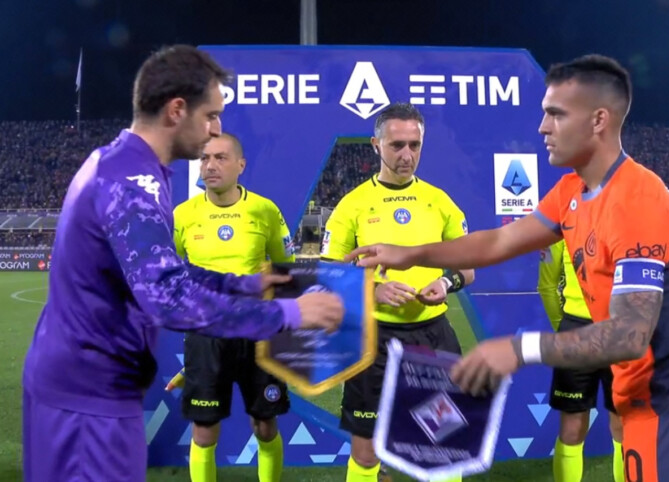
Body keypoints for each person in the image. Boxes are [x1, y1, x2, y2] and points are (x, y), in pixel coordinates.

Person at [348, 55, 669, 482]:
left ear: (598, 120)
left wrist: (518, 350)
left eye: (556, 114)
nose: (543, 127)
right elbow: (499, 242)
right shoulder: (571, 191)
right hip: (638, 394)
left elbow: (628, 335)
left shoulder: (639, 202)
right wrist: (409, 254)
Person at [22, 45, 344, 482]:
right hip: (88, 396)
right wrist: (289, 313)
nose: (216, 128)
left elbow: (167, 269)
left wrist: (244, 284)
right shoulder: (132, 183)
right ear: (177, 110)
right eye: (211, 115)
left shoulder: (128, 167)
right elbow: (169, 298)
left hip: (90, 389)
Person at [321, 102, 475, 482]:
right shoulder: (352, 206)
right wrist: (372, 289)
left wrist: (445, 283)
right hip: (373, 340)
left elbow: (467, 268)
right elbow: (327, 274)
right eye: (397, 145)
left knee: (444, 440)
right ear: (376, 145)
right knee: (366, 450)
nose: (407, 155)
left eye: (414, 145)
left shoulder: (439, 202)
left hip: (433, 336)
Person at [166, 133, 294, 482]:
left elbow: (285, 271)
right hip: (206, 336)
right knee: (204, 428)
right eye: (205, 158)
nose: (210, 166)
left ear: (241, 165)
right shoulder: (183, 215)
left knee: (265, 424)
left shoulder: (265, 211)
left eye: (220, 158)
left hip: (258, 334)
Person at [538, 240, 623, 482]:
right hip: (575, 330)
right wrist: (564, 330)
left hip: (619, 330)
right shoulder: (559, 229)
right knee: (572, 427)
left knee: (623, 425)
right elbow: (546, 285)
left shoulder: (625, 223)